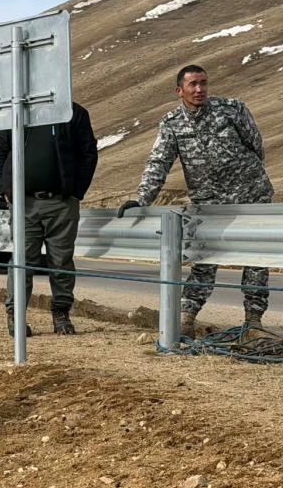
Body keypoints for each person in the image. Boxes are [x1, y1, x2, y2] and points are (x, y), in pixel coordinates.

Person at [116, 65, 273, 336]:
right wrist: (142, 199)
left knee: (256, 258)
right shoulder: (172, 123)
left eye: (203, 83)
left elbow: (256, 145)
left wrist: (245, 178)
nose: (199, 89)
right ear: (180, 90)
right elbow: (159, 162)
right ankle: (186, 318)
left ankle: (254, 321)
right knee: (203, 258)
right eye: (193, 84)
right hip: (208, 203)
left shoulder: (232, 109)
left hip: (251, 196)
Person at [0, 101, 98, 336]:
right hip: (24, 203)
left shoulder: (72, 112)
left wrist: (76, 190)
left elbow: (88, 153)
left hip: (61, 202)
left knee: (61, 261)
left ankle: (61, 314)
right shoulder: (18, 109)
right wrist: (4, 187)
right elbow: (2, 150)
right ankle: (16, 315)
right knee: (22, 261)